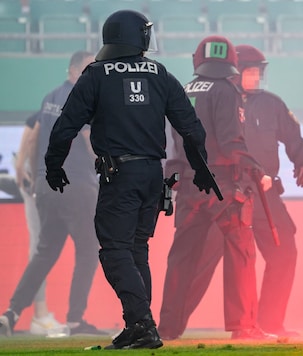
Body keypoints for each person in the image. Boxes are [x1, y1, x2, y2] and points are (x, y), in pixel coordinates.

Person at [25, 10, 211, 349]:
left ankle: (142, 324)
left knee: (114, 250)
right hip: (153, 175)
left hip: (120, 175)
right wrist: (201, 169)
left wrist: (53, 166)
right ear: (136, 37)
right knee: (137, 250)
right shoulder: (160, 74)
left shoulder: (96, 75)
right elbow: (192, 129)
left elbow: (65, 126)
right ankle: (139, 326)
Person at [158, 35, 273, 341]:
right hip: (222, 185)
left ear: (198, 59)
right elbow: (230, 140)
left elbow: (175, 143)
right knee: (241, 252)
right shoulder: (227, 90)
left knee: (181, 258)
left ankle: (167, 328)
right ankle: (243, 326)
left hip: (189, 187)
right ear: (232, 62)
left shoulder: (183, 90)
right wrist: (253, 167)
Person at [0, 51, 105, 338]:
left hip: (48, 186)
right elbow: (89, 140)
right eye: (89, 69)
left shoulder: (49, 97)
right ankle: (74, 319)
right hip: (76, 186)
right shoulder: (83, 98)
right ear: (74, 70)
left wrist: (34, 175)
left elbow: (34, 136)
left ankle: (11, 312)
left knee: (45, 253)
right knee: (88, 250)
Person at [234, 44, 303, 337]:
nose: (256, 78)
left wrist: (301, 162)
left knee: (284, 250)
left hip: (266, 193)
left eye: (258, 72)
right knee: (219, 257)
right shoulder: (219, 102)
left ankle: (270, 322)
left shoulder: (272, 104)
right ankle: (173, 322)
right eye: (251, 72)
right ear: (236, 72)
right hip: (229, 194)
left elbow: (293, 137)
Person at [13, 112, 66, 335]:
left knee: (40, 247)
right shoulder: (48, 115)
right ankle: (39, 314)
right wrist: (32, 177)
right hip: (38, 184)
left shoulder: (45, 114)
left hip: (38, 182)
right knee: (40, 247)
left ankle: (38, 313)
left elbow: (29, 138)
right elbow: (31, 138)